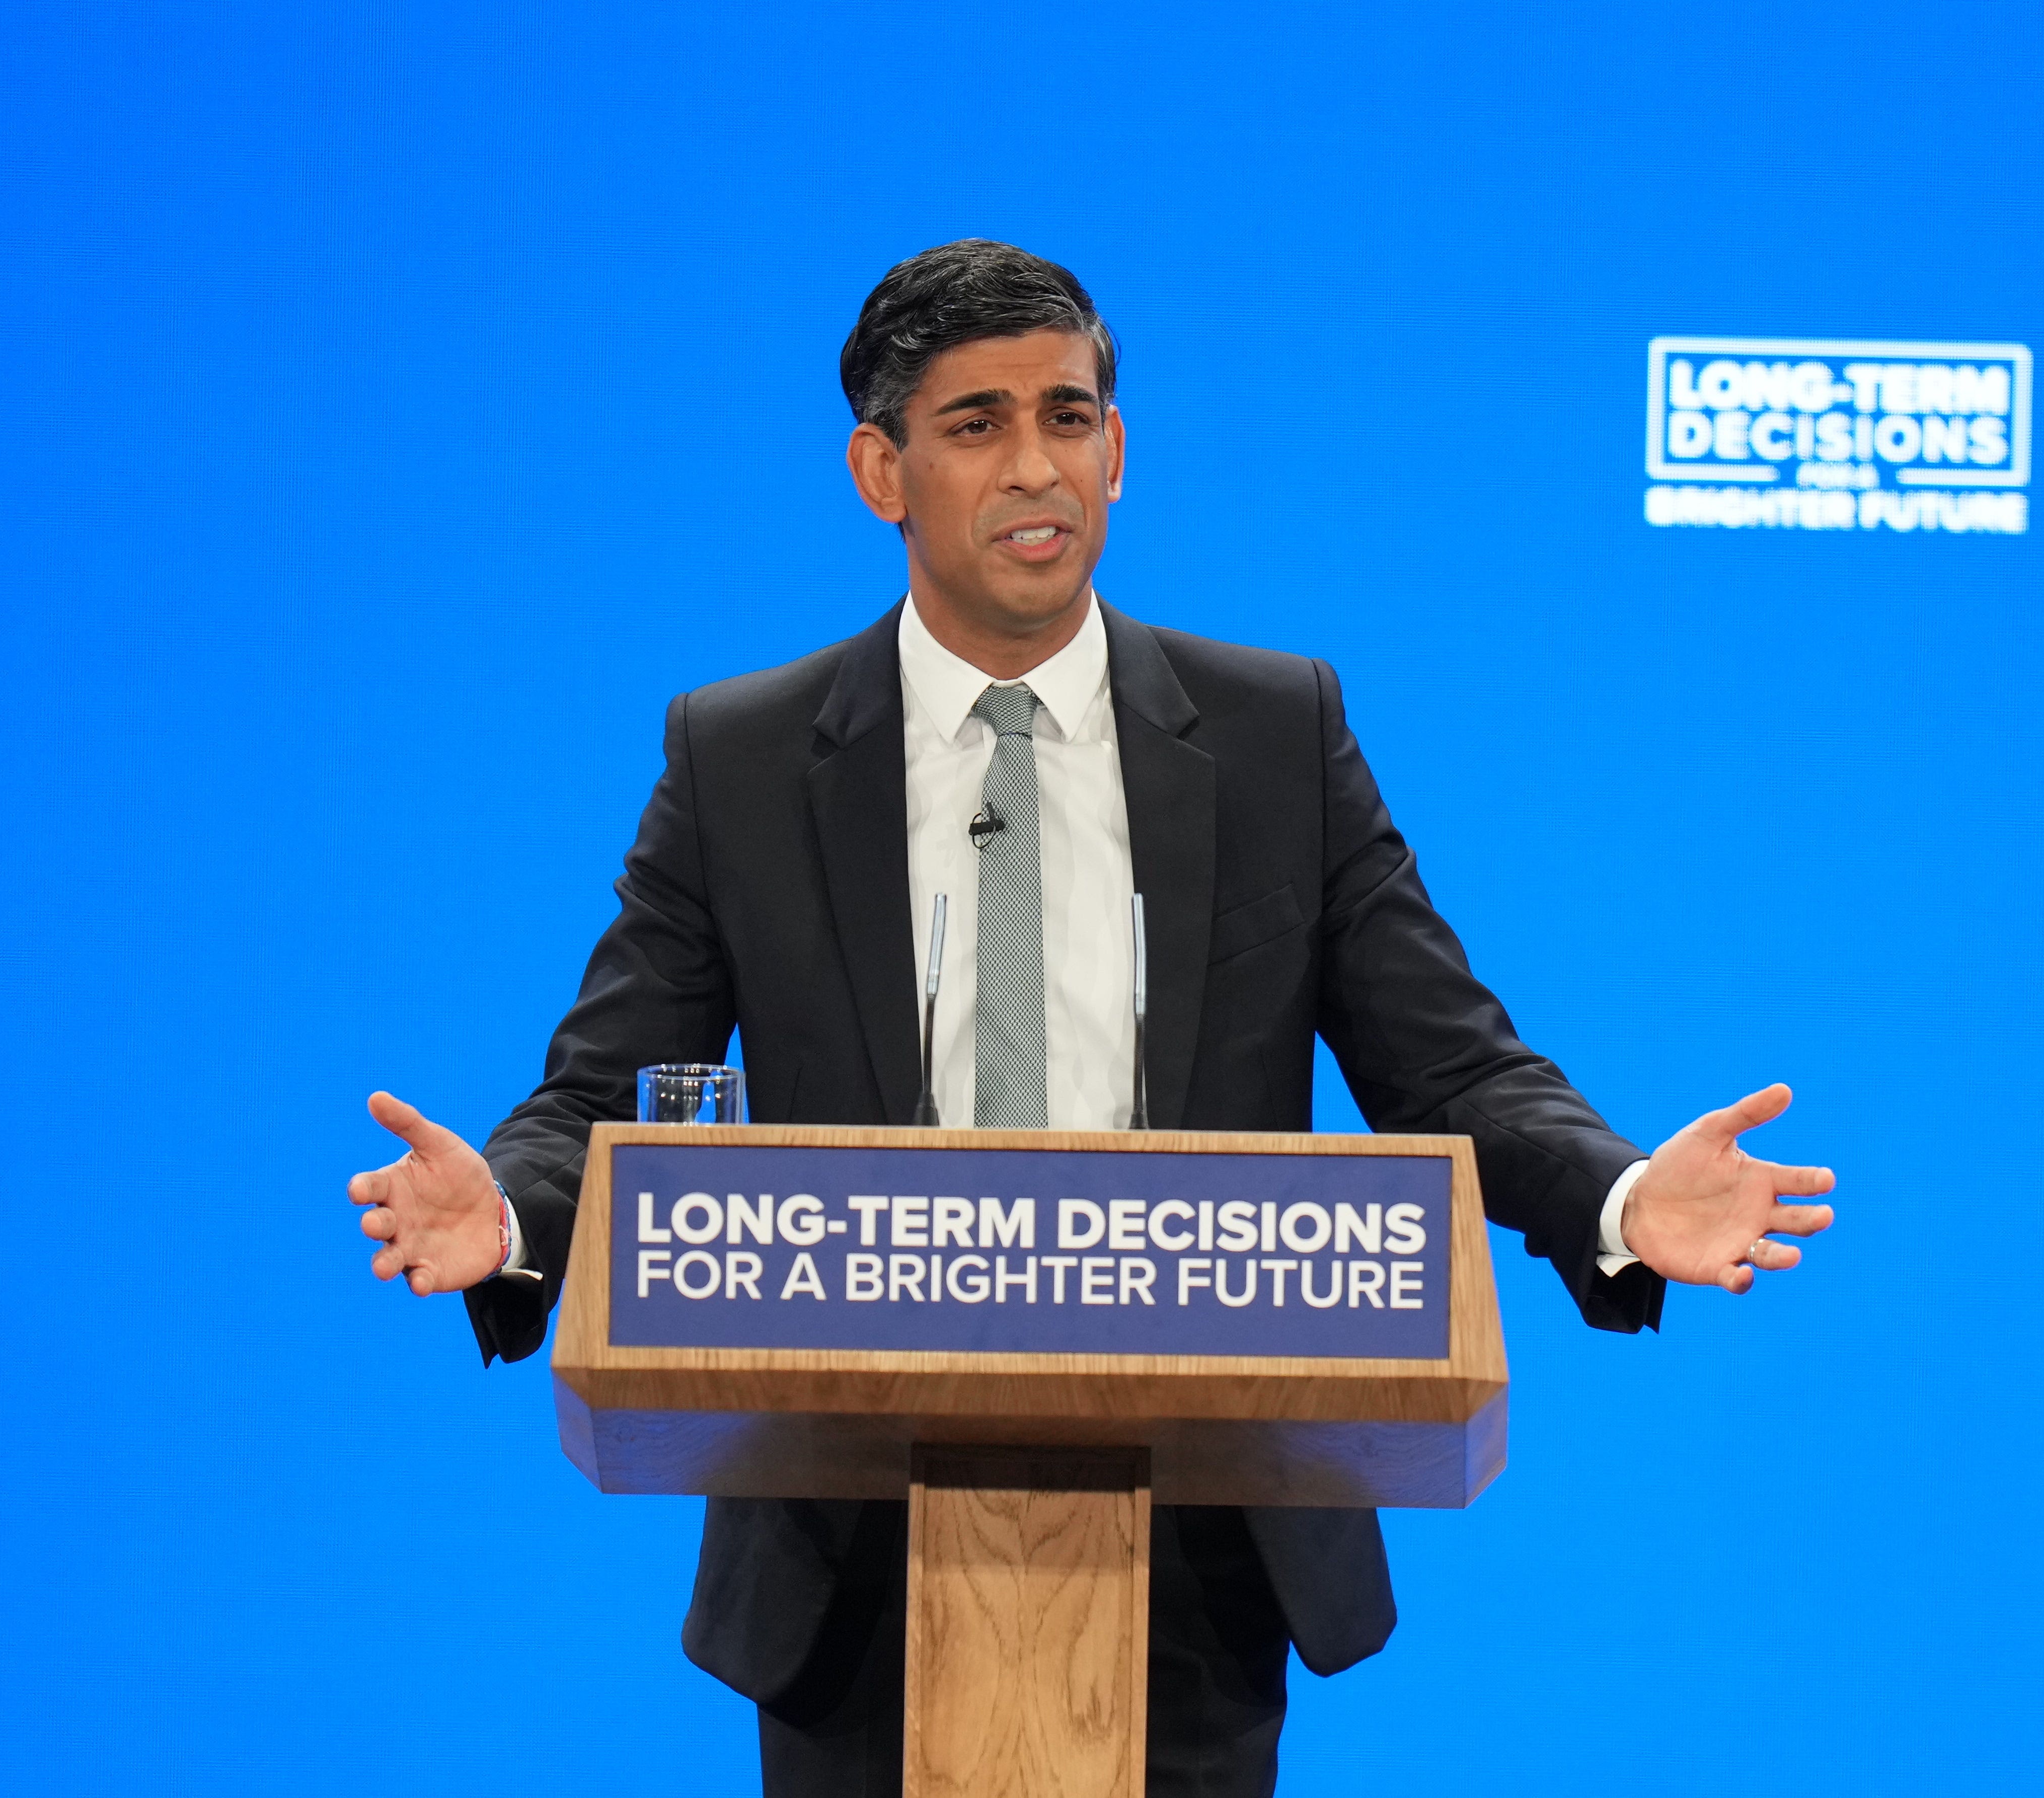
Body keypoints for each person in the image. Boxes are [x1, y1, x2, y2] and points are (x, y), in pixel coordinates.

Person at [345, 240, 1836, 1797]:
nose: (1035, 464)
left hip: (1202, 1524)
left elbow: (1446, 1059)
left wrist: (1612, 1190)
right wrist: (511, 1214)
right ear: (882, 471)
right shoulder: (745, 759)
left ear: (1117, 449)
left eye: (1069, 415)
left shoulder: (1273, 734)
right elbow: (605, 1089)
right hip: (849, 1541)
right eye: (977, 423)